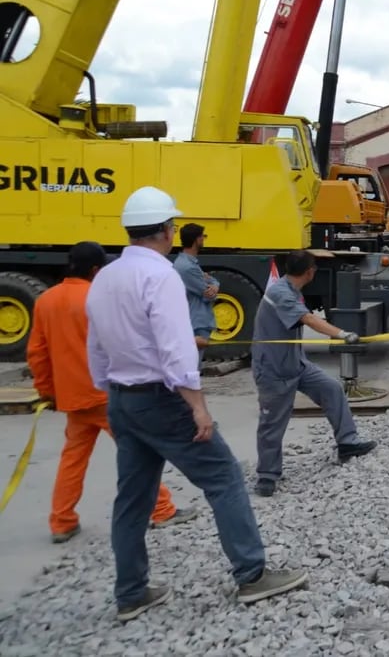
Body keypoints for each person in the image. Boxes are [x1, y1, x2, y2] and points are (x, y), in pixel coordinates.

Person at [86, 186, 308, 623]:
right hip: (163, 399)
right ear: (168, 231)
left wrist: (109, 390)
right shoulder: (161, 275)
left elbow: (95, 346)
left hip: (121, 398)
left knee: (132, 499)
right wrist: (198, 406)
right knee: (224, 478)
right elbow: (175, 348)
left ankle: (131, 592)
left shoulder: (106, 276)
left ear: (131, 230)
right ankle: (252, 574)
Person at [29, 242, 197, 545]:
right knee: (141, 452)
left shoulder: (46, 300)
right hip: (106, 394)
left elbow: (37, 354)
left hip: (71, 398)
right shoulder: (96, 297)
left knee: (72, 458)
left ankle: (62, 521)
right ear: (96, 269)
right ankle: (161, 509)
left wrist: (47, 391)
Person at [251, 250, 377, 498]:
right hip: (273, 370)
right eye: (315, 267)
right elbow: (308, 319)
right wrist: (342, 334)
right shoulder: (281, 293)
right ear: (309, 272)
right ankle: (267, 475)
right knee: (272, 423)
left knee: (331, 388)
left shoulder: (290, 288)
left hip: (296, 363)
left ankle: (347, 443)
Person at [173, 223, 219, 363]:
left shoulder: (188, 263)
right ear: (196, 240)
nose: (204, 239)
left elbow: (210, 282)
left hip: (195, 320)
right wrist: (215, 285)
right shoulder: (188, 267)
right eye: (202, 236)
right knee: (193, 366)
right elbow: (209, 294)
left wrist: (214, 283)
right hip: (197, 322)